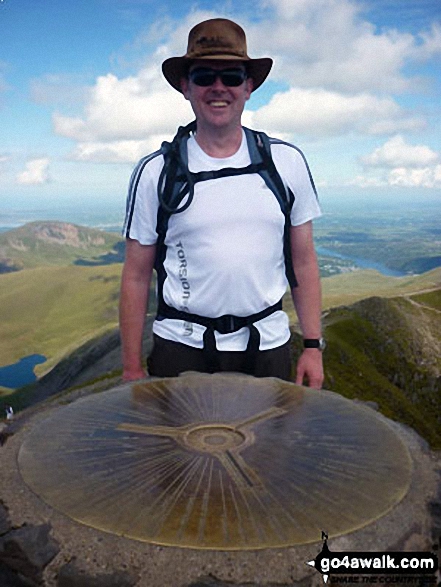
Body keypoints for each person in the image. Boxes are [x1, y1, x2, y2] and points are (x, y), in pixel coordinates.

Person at [120, 18, 325, 387]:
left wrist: (312, 345)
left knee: (265, 446)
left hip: (267, 346)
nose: (219, 88)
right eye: (203, 76)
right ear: (185, 86)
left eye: (231, 76)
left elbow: (304, 261)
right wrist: (131, 367)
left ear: (248, 87)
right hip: (181, 348)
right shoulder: (155, 172)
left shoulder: (286, 162)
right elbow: (135, 276)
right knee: (179, 447)